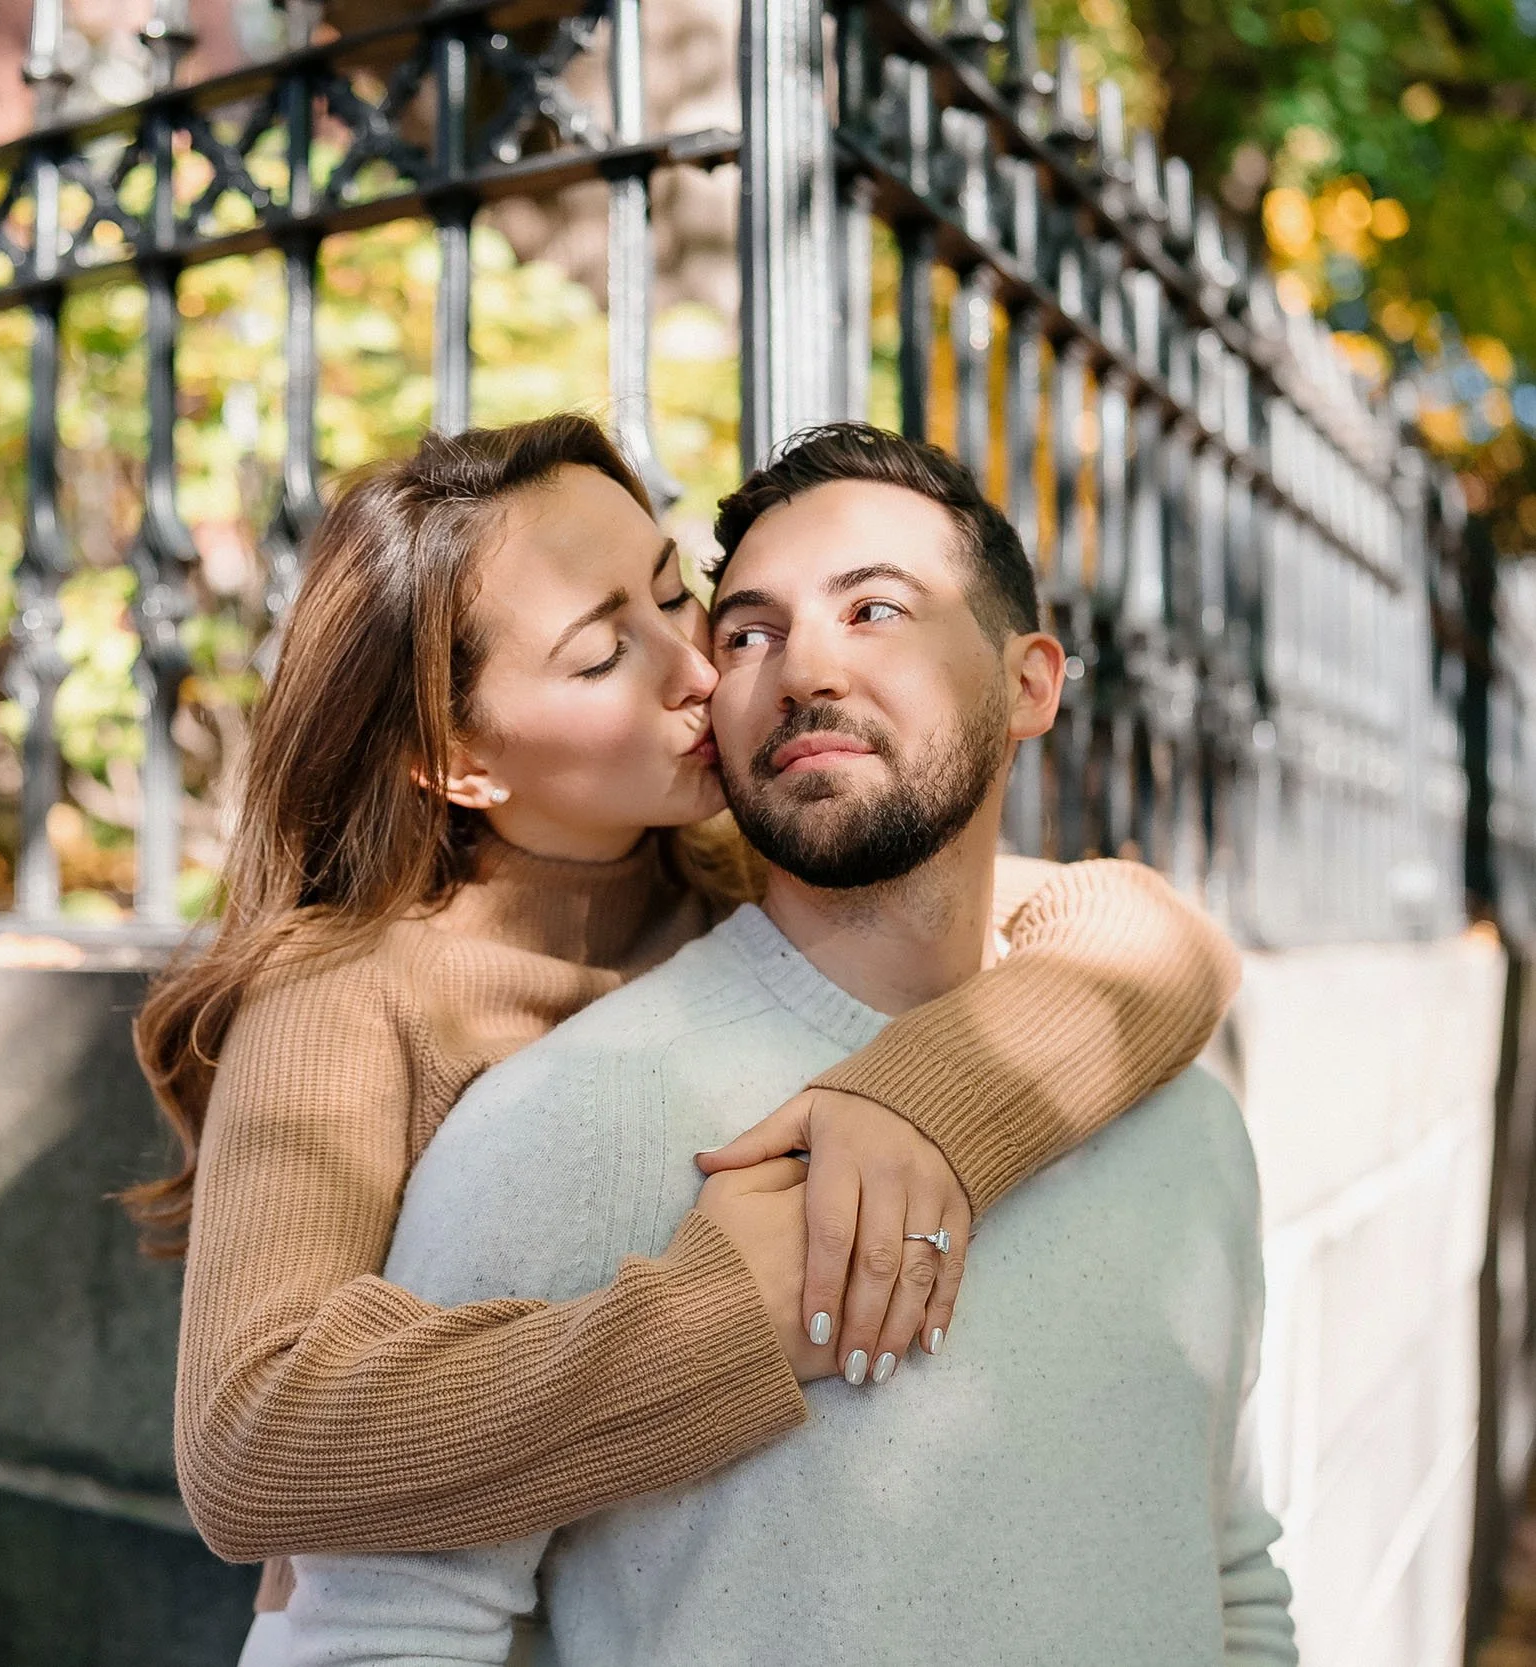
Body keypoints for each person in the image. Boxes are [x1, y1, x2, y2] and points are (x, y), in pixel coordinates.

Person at [124, 414, 1243, 1645]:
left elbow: (1148, 936)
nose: (703, 671)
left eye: (675, 598)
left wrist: (919, 1103)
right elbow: (245, 1447)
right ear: (460, 763)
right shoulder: (350, 992)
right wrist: (729, 1328)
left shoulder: (718, 871)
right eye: (607, 652)